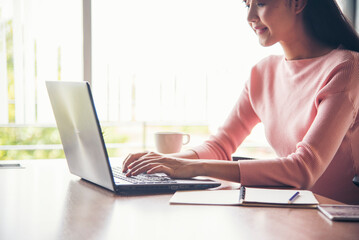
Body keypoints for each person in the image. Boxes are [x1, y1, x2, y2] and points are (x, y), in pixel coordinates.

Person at [122, 0, 359, 204]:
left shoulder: (346, 67)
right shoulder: (263, 72)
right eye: (247, 4)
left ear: (298, 3)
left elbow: (303, 170)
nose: (250, 16)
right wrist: (163, 161)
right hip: (293, 210)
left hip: (337, 220)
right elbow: (219, 146)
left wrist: (194, 167)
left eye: (261, 3)